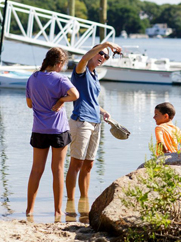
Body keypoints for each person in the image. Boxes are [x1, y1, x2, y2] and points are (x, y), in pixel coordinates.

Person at [26, 47, 79, 217]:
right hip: (58, 130)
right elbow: (75, 95)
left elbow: (29, 104)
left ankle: (29, 210)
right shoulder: (61, 79)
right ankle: (57, 211)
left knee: (36, 170)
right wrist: (61, 99)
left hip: (39, 129)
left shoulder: (33, 78)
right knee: (57, 169)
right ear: (59, 63)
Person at [66, 42, 122, 200]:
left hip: (95, 122)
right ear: (93, 53)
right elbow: (84, 59)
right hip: (81, 121)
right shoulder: (81, 71)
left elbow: (92, 102)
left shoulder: (95, 76)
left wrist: (103, 112)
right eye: (101, 53)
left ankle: (84, 201)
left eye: (106, 56)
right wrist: (107, 44)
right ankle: (70, 203)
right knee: (76, 164)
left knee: (88, 165)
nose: (103, 57)